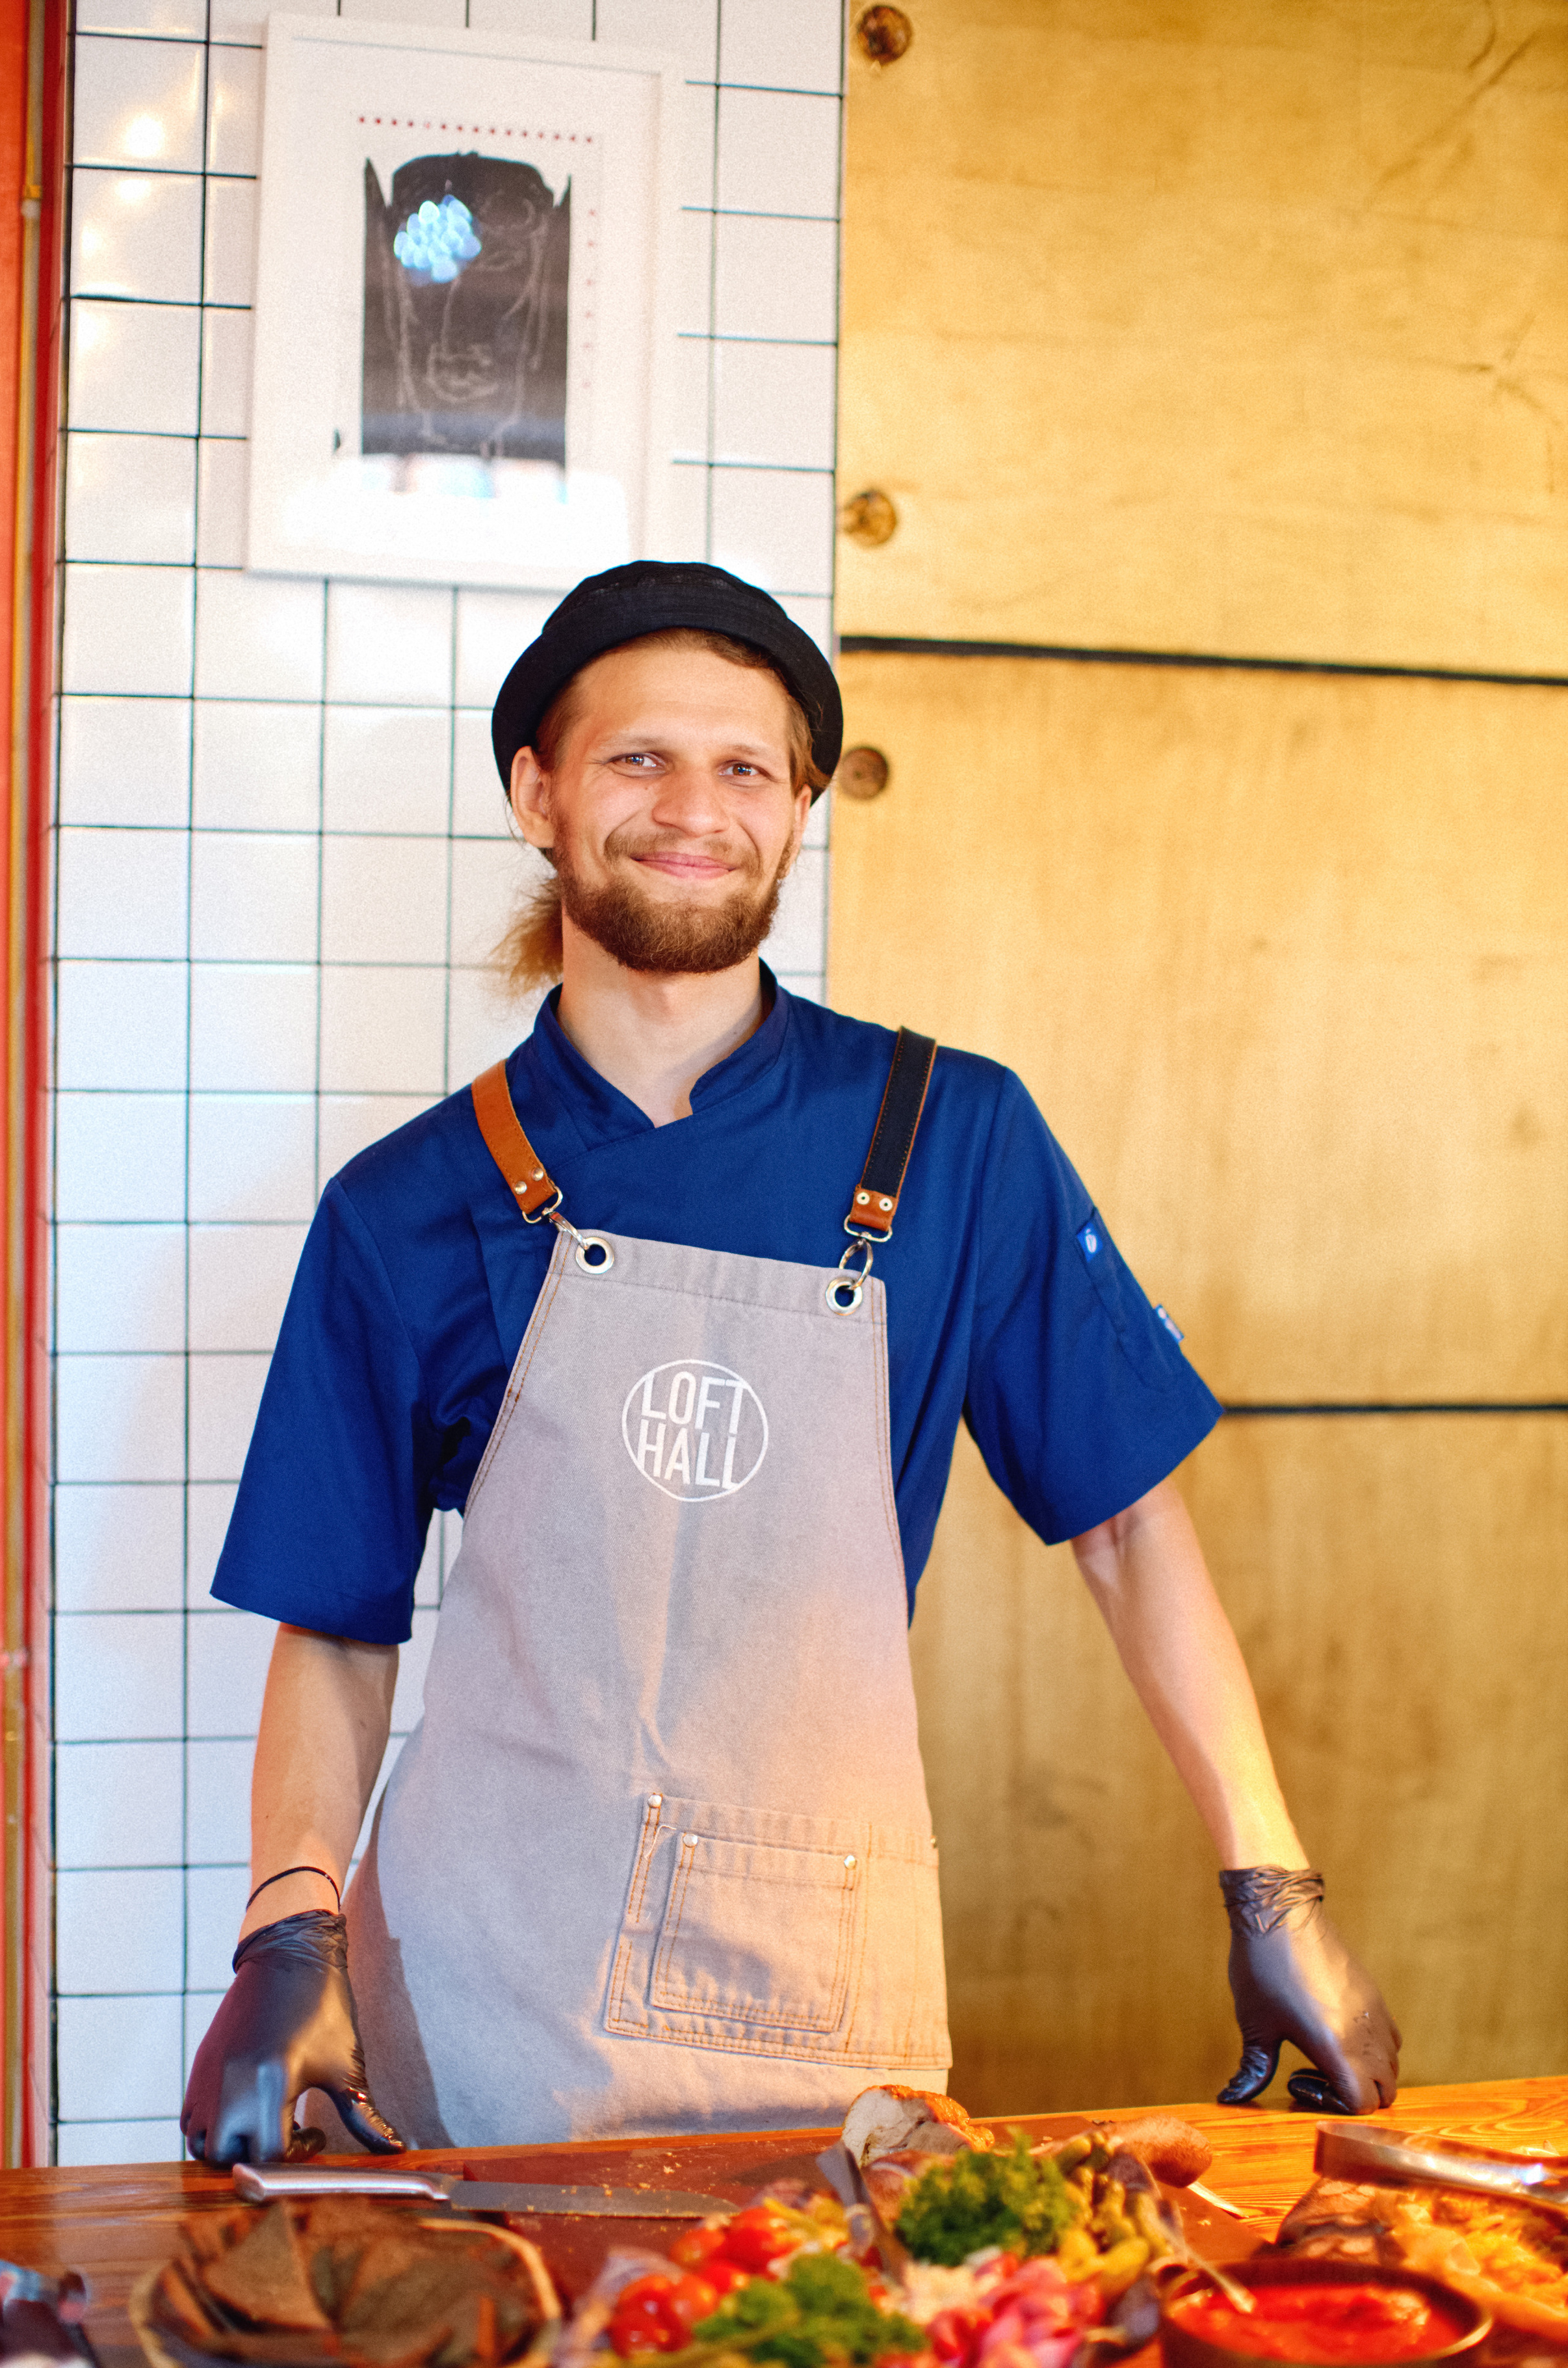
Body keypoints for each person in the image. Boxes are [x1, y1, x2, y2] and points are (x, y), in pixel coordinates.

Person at [182, 562, 1400, 2166]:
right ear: (539, 794)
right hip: (475, 1978)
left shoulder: (954, 1138)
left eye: (746, 768)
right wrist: (289, 1932)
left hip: (813, 1977)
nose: (695, 809)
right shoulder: (402, 1206)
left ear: (801, 806)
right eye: (638, 759)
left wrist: (1269, 1885)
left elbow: (1126, 1527)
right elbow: (337, 1630)